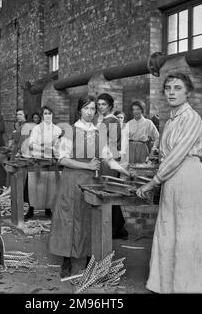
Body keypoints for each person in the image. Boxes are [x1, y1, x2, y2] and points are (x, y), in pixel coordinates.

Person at [136, 73, 202, 293]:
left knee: (189, 235)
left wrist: (152, 183)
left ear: (188, 92)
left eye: (177, 88)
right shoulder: (171, 119)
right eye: (168, 87)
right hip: (172, 179)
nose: (171, 91)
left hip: (189, 178)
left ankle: (189, 288)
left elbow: (177, 155)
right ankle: (169, 285)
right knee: (170, 231)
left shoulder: (191, 118)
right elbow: (163, 152)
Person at [49, 95, 132, 278]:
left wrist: (128, 173)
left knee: (88, 219)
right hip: (71, 181)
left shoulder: (98, 134)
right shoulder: (70, 131)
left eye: (93, 109)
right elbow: (62, 159)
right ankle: (67, 261)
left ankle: (87, 258)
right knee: (69, 219)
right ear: (80, 110)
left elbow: (109, 160)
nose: (89, 112)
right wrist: (87, 165)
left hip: (90, 183)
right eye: (86, 108)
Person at [96, 93, 128, 240]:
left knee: (109, 193)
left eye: (103, 104)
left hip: (108, 160)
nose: (100, 106)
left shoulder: (111, 121)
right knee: (107, 192)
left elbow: (113, 144)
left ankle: (116, 228)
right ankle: (117, 226)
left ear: (110, 105)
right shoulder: (104, 120)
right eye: (99, 104)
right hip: (103, 158)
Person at [27, 105, 62, 219]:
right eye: (45, 113)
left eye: (50, 113)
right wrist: (44, 148)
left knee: (51, 185)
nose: (48, 115)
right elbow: (31, 144)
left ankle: (48, 209)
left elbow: (59, 145)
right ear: (42, 116)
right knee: (35, 185)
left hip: (51, 160)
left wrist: (55, 150)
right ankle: (31, 208)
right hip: (38, 159)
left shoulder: (57, 129)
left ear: (53, 115)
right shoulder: (37, 129)